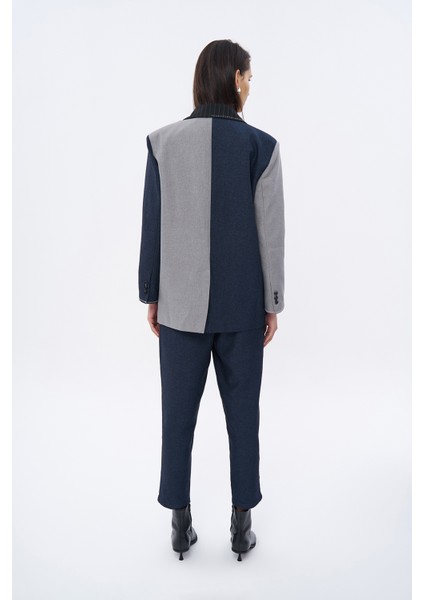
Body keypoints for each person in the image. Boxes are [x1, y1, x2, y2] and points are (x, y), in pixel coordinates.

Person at [138, 39, 285, 561]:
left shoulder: (162, 142)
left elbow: (152, 226)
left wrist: (151, 294)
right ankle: (242, 526)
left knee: (177, 417)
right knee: (243, 417)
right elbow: (270, 233)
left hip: (179, 307)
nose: (250, 86)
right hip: (243, 308)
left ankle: (180, 524)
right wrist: (272, 302)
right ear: (235, 79)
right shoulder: (262, 147)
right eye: (249, 76)